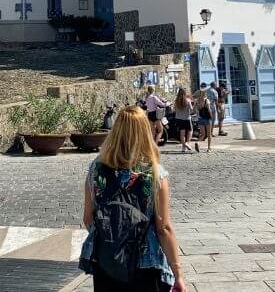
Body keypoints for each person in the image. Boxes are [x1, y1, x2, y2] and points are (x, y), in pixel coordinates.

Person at [79, 106, 187, 292]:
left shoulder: (96, 168)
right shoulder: (154, 173)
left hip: (107, 262)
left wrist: (114, 238)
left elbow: (88, 218)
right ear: (144, 131)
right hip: (145, 263)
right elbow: (164, 228)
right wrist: (178, 274)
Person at [171, 88, 194, 152]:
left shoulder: (176, 101)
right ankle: (187, 143)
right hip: (186, 118)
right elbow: (191, 110)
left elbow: (174, 110)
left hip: (179, 119)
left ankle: (183, 147)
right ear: (185, 93)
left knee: (182, 133)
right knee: (190, 130)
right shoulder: (188, 100)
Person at [193, 83, 214, 153]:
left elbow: (195, 110)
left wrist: (198, 114)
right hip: (207, 118)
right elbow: (209, 110)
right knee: (209, 134)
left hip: (200, 118)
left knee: (203, 134)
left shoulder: (197, 100)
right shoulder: (206, 100)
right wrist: (211, 116)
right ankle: (209, 148)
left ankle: (198, 142)